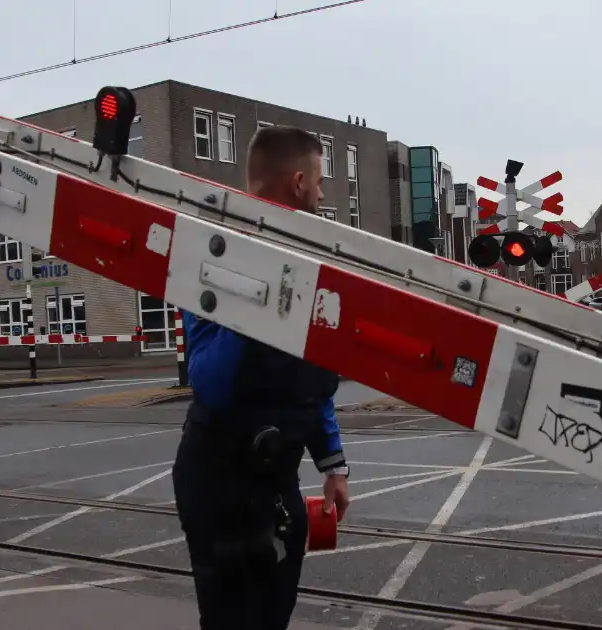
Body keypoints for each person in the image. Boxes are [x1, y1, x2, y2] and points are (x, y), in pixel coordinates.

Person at [172, 125, 351, 630]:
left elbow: (313, 377)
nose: (319, 194)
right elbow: (208, 380)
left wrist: (333, 465)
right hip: (218, 480)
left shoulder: (310, 264)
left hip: (276, 476)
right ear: (297, 183)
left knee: (274, 614)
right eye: (318, 183)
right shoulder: (215, 259)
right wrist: (256, 300)